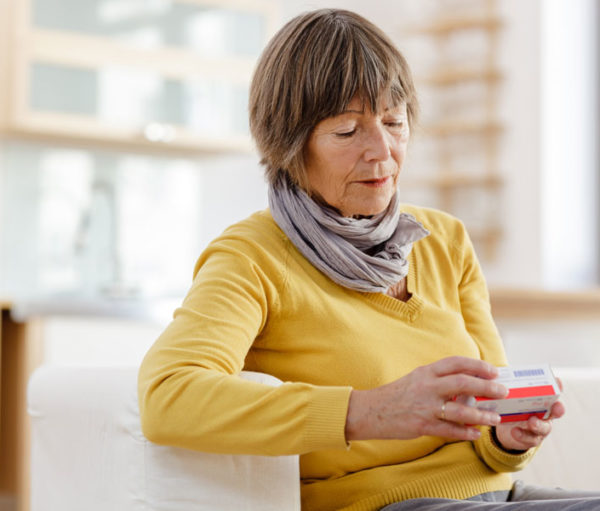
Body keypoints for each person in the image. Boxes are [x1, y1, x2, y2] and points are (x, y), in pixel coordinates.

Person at [138, 8, 600, 511]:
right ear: (289, 145)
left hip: (497, 495)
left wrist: (509, 435)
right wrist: (365, 411)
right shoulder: (253, 255)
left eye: (393, 122)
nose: (382, 151)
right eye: (346, 131)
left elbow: (489, 423)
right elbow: (168, 397)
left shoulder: (442, 240)